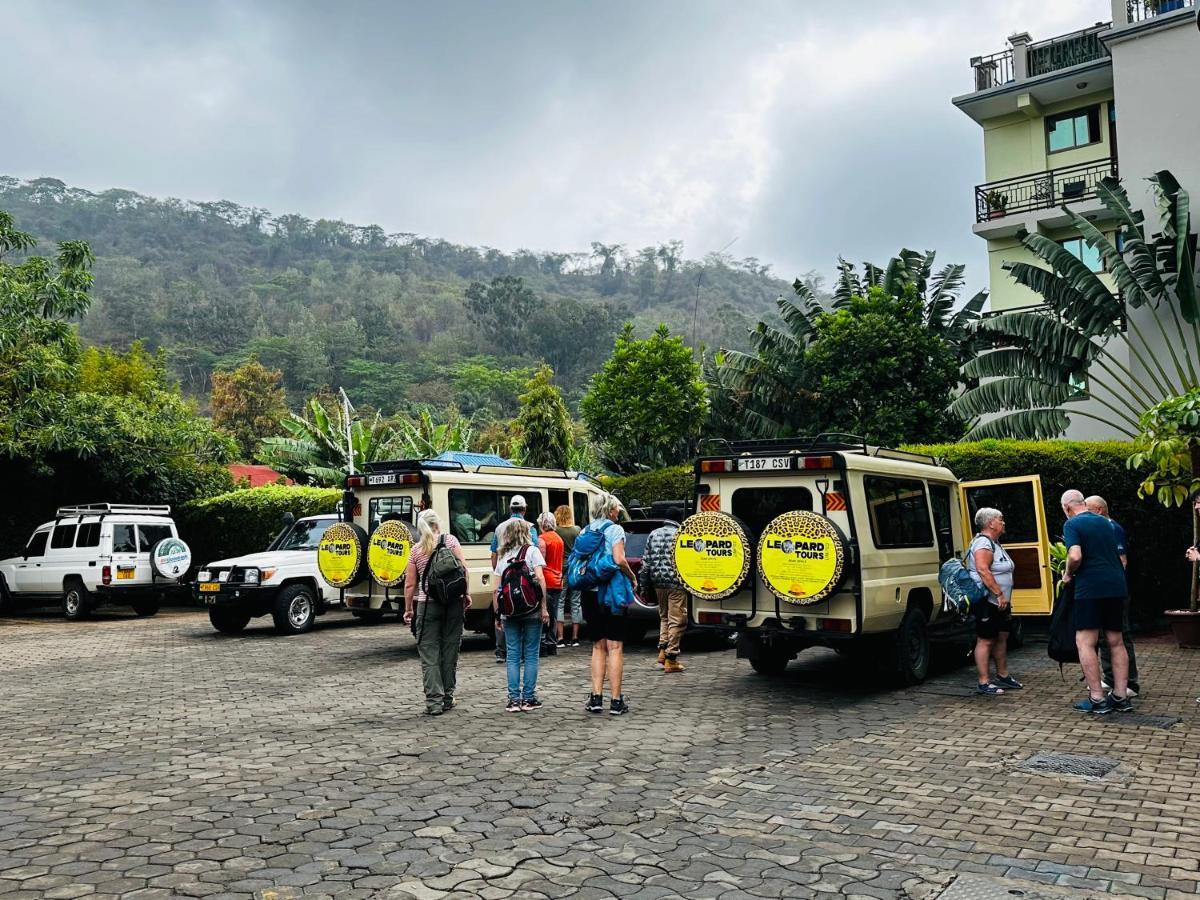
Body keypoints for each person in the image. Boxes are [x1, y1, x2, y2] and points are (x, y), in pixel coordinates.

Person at [1061, 489, 1133, 714]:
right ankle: (1121, 697)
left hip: (1090, 588)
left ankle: (1097, 698)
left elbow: (1075, 555)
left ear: (1067, 508)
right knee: (1116, 640)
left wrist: (1068, 573)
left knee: (1085, 641)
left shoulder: (1072, 524)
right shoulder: (1107, 523)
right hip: (1116, 586)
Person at [403, 509, 470, 716]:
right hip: (453, 604)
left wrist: (408, 610)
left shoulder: (416, 550)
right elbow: (464, 570)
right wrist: (465, 594)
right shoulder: (451, 542)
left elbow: (410, 585)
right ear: (437, 524)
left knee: (429, 654)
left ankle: (434, 702)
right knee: (450, 651)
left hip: (428, 605)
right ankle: (448, 698)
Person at [581, 493, 637, 716]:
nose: (617, 512)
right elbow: (619, 559)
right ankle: (615, 701)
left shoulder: (586, 530)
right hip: (611, 594)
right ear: (610, 510)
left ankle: (595, 698)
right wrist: (631, 576)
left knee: (597, 647)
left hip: (590, 593)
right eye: (616, 509)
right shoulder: (615, 529)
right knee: (615, 647)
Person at [493, 519, 549, 712]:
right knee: (532, 653)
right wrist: (544, 608)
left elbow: (496, 590)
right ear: (526, 533)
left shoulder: (502, 557)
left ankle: (514, 700)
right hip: (532, 609)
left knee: (513, 654)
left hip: (509, 613)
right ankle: (529, 698)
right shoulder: (532, 552)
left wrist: (497, 615)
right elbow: (541, 579)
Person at [964, 507, 1021, 695]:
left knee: (1002, 636)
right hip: (989, 601)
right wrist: (998, 593)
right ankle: (984, 681)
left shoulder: (994, 542)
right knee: (986, 639)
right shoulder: (983, 543)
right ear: (990, 523)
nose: (1003, 522)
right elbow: (983, 570)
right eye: (1000, 519)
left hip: (1001, 602)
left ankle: (1003, 675)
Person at [1086, 494, 1139, 697]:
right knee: (1103, 636)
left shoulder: (1112, 528)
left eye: (1089, 510)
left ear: (1099, 510)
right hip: (1105, 591)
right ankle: (1110, 677)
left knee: (1121, 635)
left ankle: (1130, 682)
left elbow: (1121, 560)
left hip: (1116, 592)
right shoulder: (1100, 528)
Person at [490, 496, 538, 664]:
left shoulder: (499, 528)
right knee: (526, 609)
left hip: (504, 574)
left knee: (503, 608)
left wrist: (498, 571)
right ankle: (524, 653)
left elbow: (494, 554)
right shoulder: (530, 527)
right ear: (524, 509)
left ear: (510, 509)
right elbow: (535, 552)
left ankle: (501, 651)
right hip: (525, 576)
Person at [640, 506, 688, 673]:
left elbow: (645, 563)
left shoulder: (654, 534)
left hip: (657, 581)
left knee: (664, 617)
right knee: (677, 620)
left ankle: (662, 651)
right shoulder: (681, 534)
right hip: (676, 582)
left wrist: (644, 586)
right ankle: (671, 657)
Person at [554, 505, 583, 647]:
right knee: (576, 601)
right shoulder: (577, 530)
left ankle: (560, 638)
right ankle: (575, 637)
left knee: (560, 601)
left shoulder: (556, 531)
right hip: (575, 567)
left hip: (561, 567)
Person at [536, 512, 564, 646]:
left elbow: (540, 562)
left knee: (544, 611)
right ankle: (552, 641)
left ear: (542, 524)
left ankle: (543, 641)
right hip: (558, 579)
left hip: (546, 579)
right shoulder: (559, 539)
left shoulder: (542, 539)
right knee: (554, 612)